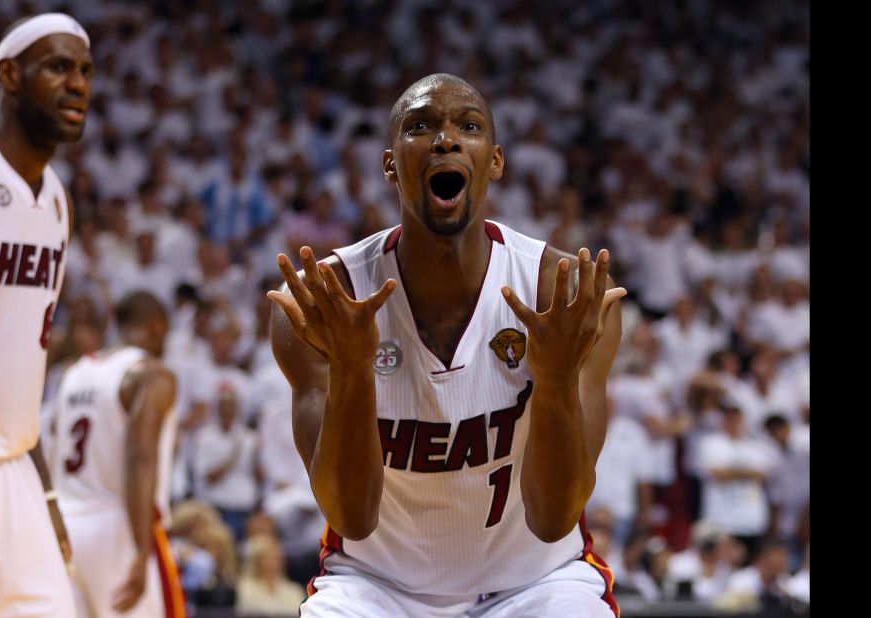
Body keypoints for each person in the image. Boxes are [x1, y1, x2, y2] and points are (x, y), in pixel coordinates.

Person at [268, 73, 627, 617]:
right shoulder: (327, 300)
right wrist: (351, 368)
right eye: (420, 126)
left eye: (468, 125)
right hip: (377, 587)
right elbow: (351, 516)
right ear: (391, 164)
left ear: (496, 160)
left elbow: (555, 516)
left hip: (534, 583)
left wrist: (552, 380)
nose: (445, 139)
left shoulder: (561, 291)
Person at [0, 12, 92, 618]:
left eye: (86, 71)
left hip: (15, 467)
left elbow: (21, 372)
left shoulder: (57, 201)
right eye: (59, 67)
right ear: (9, 75)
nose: (78, 84)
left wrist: (43, 491)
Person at [49, 291, 186, 617]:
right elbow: (140, 457)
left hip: (66, 527)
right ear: (155, 327)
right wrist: (141, 551)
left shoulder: (73, 373)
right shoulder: (151, 374)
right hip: (119, 527)